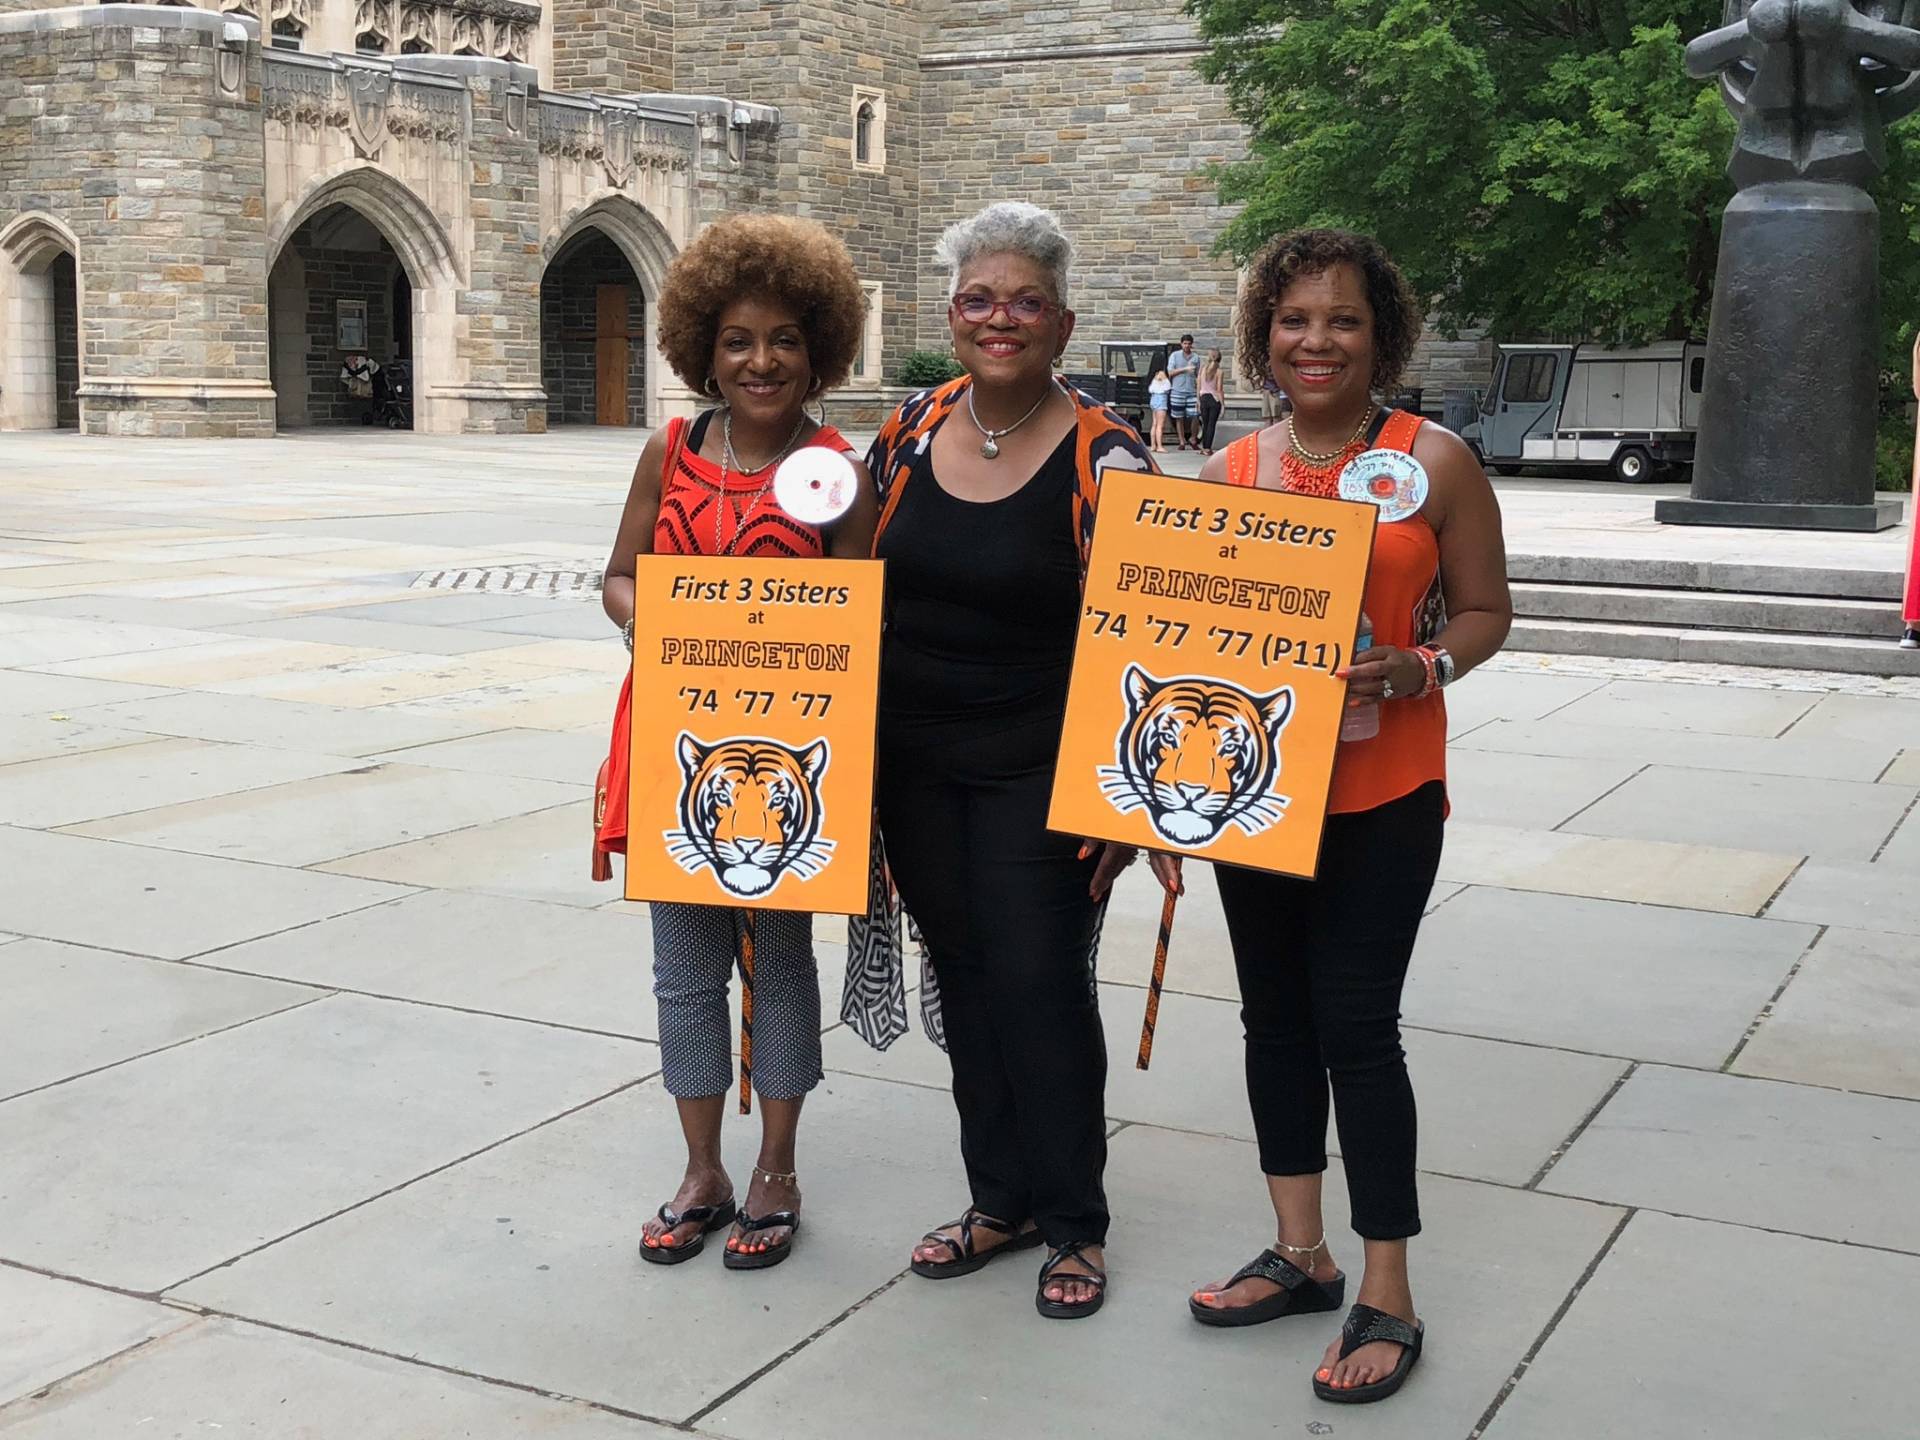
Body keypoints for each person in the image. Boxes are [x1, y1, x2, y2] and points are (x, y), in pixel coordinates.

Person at [1188, 228, 1511, 1403]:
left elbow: (1485, 610)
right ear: (1262, 336)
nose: (1315, 341)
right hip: (1256, 797)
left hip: (1384, 794)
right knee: (1273, 1023)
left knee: (1357, 1030)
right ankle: (1300, 1251)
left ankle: (1388, 1287)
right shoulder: (1230, 474)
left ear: (1384, 336)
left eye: (1342, 321)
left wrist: (1421, 667)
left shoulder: (1435, 461)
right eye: (1293, 320)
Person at [860, 201, 1179, 1320]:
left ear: (1063, 322)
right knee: (967, 978)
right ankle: (999, 1200)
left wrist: (1129, 807)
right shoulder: (908, 428)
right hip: (916, 762)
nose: (1002, 318)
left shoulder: (1109, 454)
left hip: (1042, 768)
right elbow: (849, 589)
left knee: (1040, 985)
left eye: (1026, 301)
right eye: (980, 299)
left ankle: (1074, 1222)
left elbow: (1153, 635)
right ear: (951, 316)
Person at [600, 214, 879, 1272]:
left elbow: (866, 608)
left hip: (792, 765)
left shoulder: (833, 470)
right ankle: (701, 1168)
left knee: (780, 965)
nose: (760, 361)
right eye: (736, 341)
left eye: (784, 340)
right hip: (681, 753)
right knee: (682, 970)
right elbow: (618, 573)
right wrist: (652, 618)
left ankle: (778, 1167)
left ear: (819, 350)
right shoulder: (670, 451)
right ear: (701, 352)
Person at [1167, 333, 1200, 449]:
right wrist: (1185, 369)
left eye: (1189, 344)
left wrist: (1199, 390)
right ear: (1181, 344)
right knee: (1178, 416)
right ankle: (1182, 441)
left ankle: (1193, 438)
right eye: (1185, 343)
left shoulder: (1196, 357)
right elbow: (1170, 372)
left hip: (1191, 390)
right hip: (1177, 390)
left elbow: (1198, 375)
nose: (1186, 346)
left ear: (1192, 345)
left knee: (1195, 415)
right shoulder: (1174, 356)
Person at [1196, 347, 1225, 455]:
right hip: (1214, 399)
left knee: (1205, 424)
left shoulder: (1202, 369)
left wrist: (1198, 400)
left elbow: (1198, 385)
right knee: (1211, 424)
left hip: (1203, 398)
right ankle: (1208, 448)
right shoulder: (1219, 372)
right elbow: (1219, 389)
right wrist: (1223, 404)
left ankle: (1204, 447)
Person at [1147, 367, 1171, 452]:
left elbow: (1150, 390)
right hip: (1161, 400)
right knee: (1160, 425)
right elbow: (1168, 389)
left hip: (1153, 400)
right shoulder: (1166, 382)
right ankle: (1159, 446)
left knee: (1154, 424)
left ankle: (1153, 445)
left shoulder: (1154, 381)